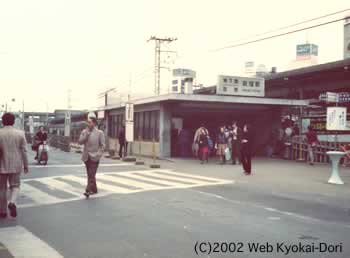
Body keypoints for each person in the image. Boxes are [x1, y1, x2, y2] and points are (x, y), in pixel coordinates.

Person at [0, 113, 29, 218]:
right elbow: (24, 151)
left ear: (3, 121)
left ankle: (2, 211)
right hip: (16, 165)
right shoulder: (20, 134)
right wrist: (26, 165)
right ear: (13, 121)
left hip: (1, 165)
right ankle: (12, 202)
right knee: (15, 186)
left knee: (2, 189)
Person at [78, 116, 105, 197]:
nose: (88, 124)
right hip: (86, 157)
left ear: (94, 123)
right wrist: (86, 135)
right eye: (87, 122)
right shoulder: (84, 131)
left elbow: (103, 146)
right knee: (90, 174)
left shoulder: (100, 133)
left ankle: (88, 190)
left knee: (91, 174)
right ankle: (94, 189)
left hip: (95, 157)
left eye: (89, 122)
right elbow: (80, 142)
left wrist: (98, 154)